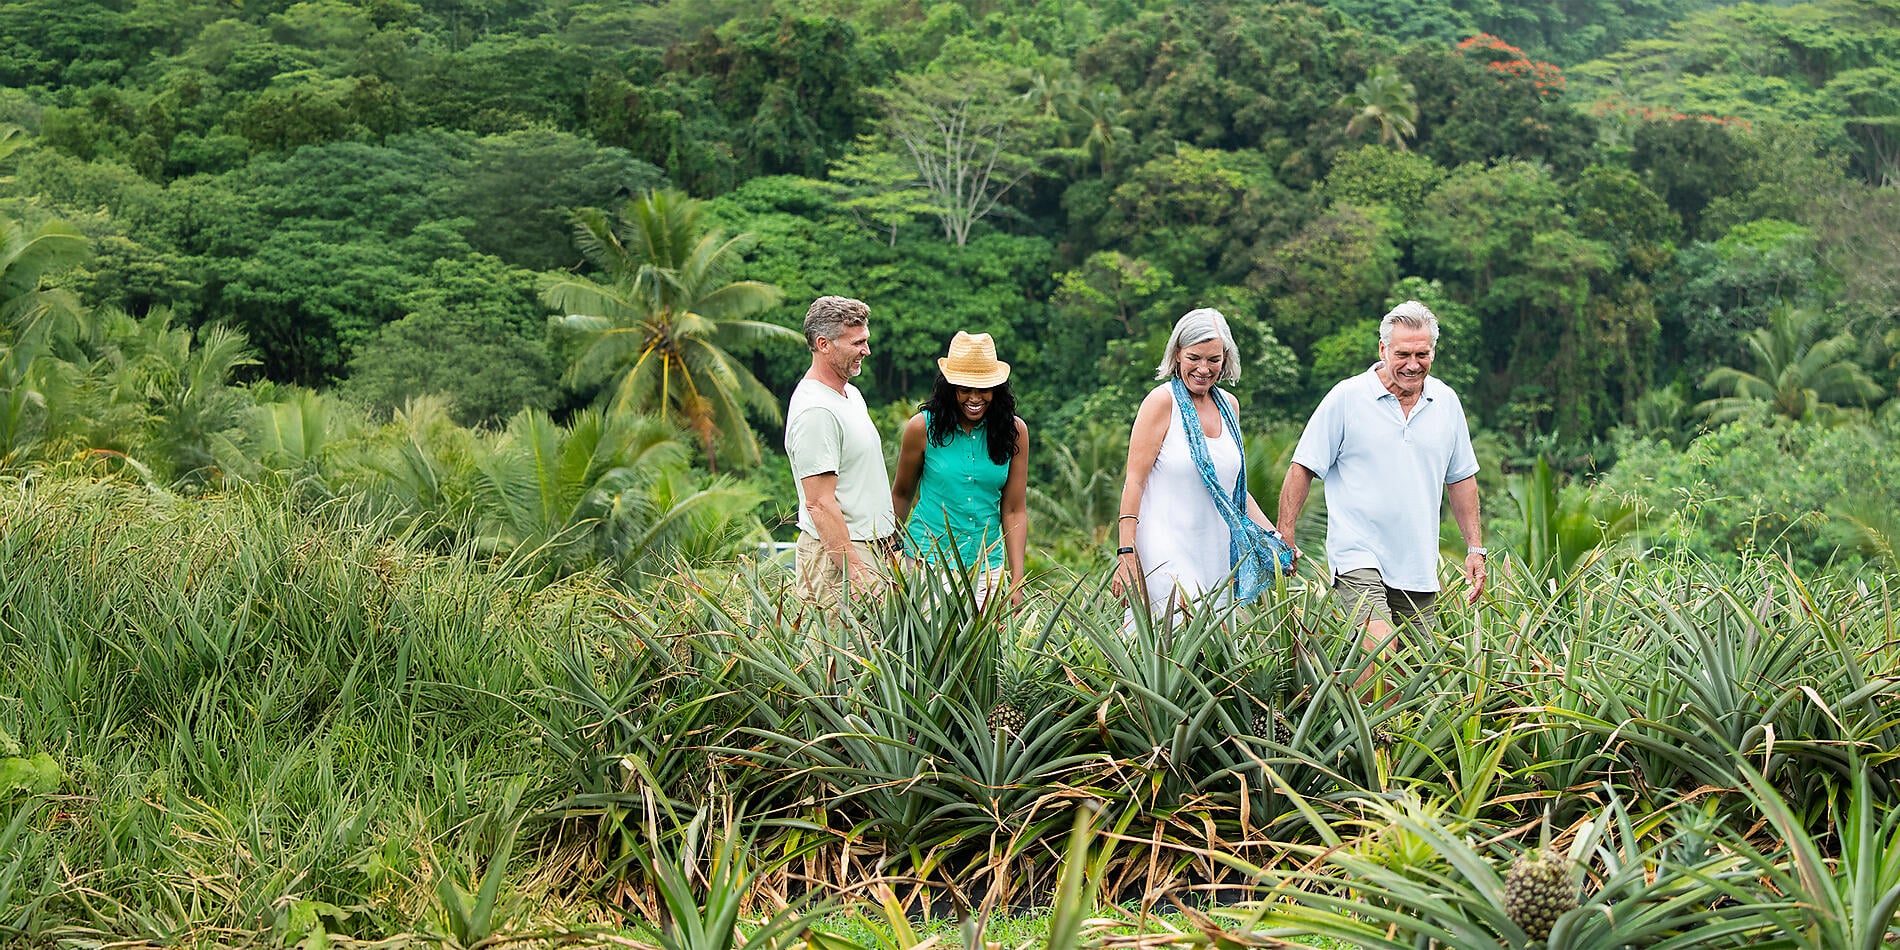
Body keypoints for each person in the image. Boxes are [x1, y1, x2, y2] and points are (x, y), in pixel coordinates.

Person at [1276, 300, 1486, 664]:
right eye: (1403, 353)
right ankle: (1362, 724)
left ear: (1433, 352)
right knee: (1380, 647)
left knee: (1416, 673)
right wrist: (1286, 535)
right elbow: (1302, 467)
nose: (1412, 364)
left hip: (1417, 562)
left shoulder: (1446, 402)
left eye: (1422, 354)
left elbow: (1461, 478)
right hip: (1357, 552)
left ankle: (1354, 718)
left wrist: (1475, 548)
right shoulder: (1347, 397)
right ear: (1383, 349)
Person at [1110, 308, 1287, 622]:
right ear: (1178, 354)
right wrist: (1126, 553)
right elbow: (1134, 481)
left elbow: (1234, 490)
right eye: (1195, 357)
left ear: (1226, 358)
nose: (1204, 369)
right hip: (1165, 553)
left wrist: (1274, 536)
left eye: (1214, 360)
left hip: (1216, 554)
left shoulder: (1229, 406)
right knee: (1172, 647)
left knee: (1215, 656)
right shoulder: (1161, 402)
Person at [890, 331, 1029, 608]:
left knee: (982, 650)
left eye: (983, 389)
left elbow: (1014, 510)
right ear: (950, 388)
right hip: (926, 563)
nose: (974, 398)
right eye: (965, 389)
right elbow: (902, 494)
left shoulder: (1015, 432)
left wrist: (1016, 580)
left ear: (997, 389)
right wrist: (888, 552)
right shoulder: (921, 428)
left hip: (986, 566)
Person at [784, 295, 899, 604]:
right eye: (857, 343)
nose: (867, 351)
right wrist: (858, 573)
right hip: (839, 560)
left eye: (866, 340)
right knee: (840, 653)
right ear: (824, 344)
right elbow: (819, 504)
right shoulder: (816, 411)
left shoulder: (850, 394)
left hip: (869, 550)